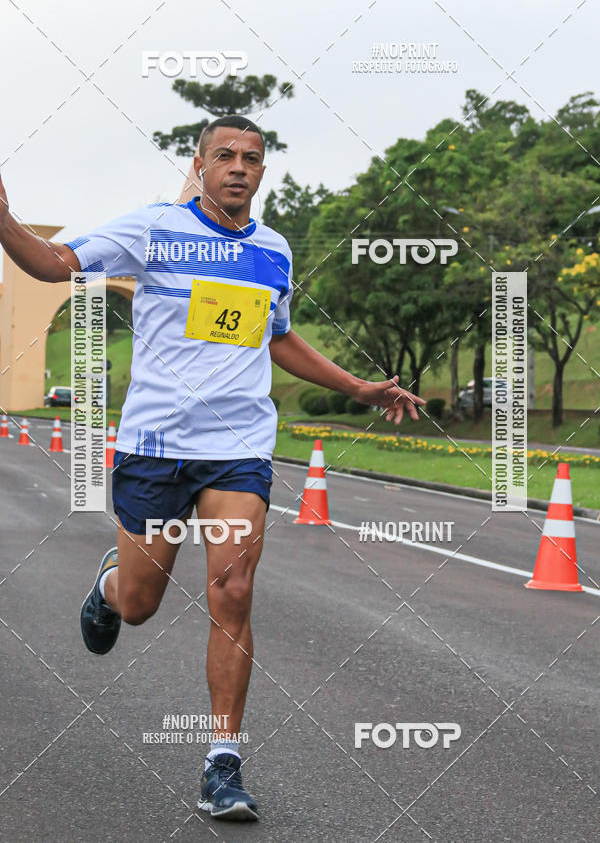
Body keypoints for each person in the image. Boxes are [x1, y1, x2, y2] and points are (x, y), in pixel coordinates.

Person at [0, 115, 425, 821]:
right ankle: (110, 588)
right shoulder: (154, 229)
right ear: (199, 165)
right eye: (224, 155)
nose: (238, 167)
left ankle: (221, 764)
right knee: (141, 605)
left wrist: (355, 387)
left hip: (239, 448)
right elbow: (55, 265)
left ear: (263, 172)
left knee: (232, 589)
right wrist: (7, 222)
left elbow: (277, 336)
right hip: (156, 448)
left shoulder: (274, 250)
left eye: (251, 158)